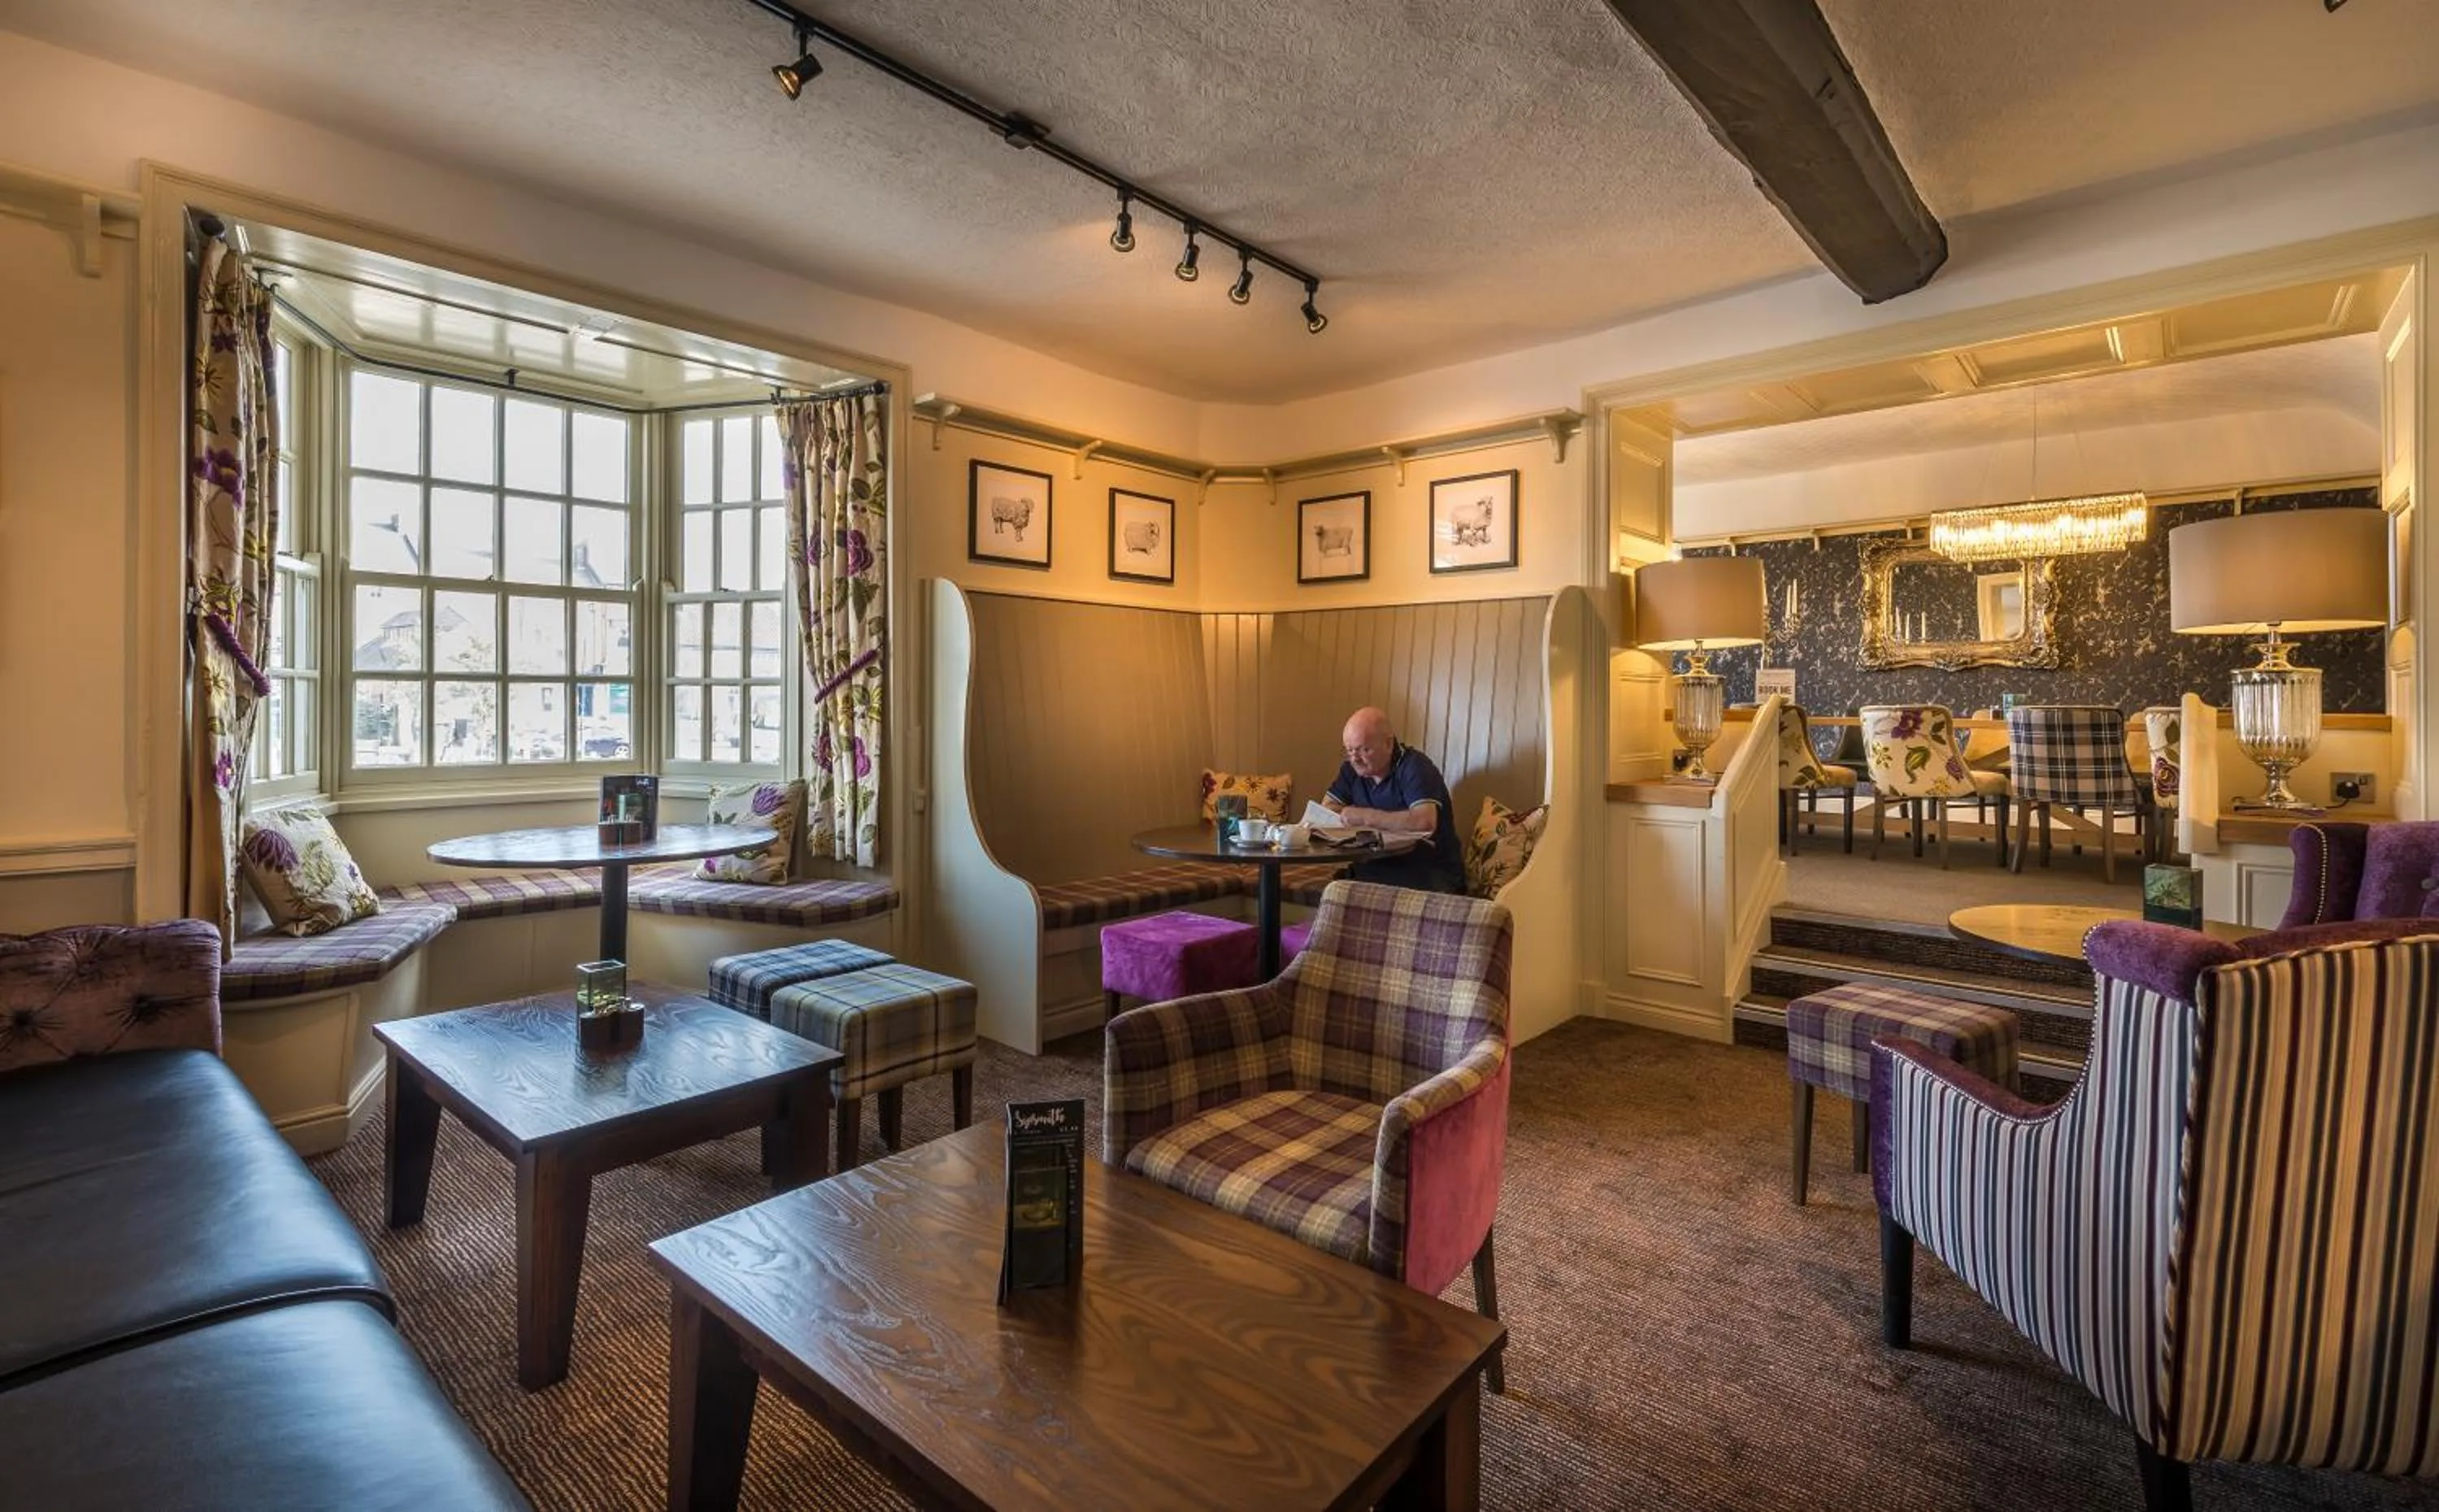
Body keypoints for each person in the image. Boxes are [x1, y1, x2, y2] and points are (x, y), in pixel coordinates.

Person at [1320, 707, 1466, 894]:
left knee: (1348, 893)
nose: (1355, 759)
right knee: (1334, 892)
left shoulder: (1415, 767)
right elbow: (1327, 808)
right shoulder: (1351, 769)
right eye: (1349, 750)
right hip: (1374, 868)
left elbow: (1425, 822)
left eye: (1364, 750)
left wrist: (1364, 817)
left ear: (1388, 744)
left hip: (1428, 874)